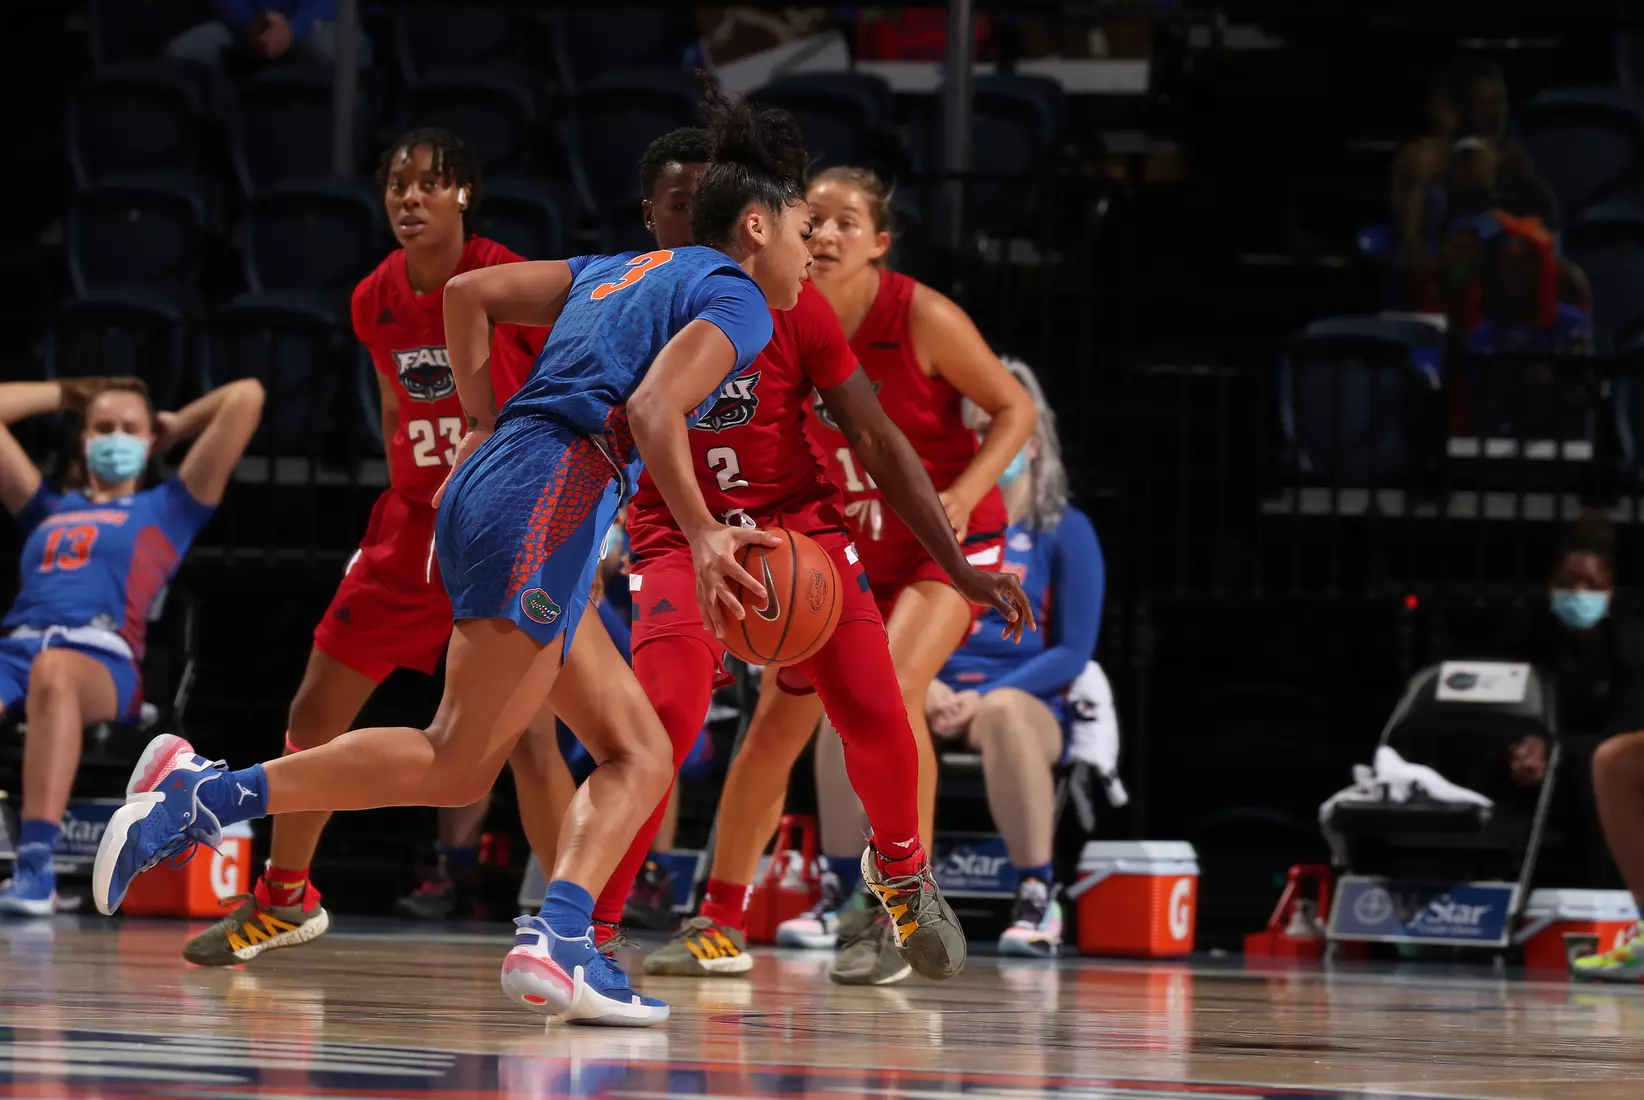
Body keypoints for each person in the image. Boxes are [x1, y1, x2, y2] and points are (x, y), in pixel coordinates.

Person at [94, 88, 841, 1028]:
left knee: (638, 747)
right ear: (759, 223)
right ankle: (201, 795)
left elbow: (467, 297)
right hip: (552, 496)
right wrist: (701, 533)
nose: (813, 250)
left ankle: (562, 938)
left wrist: (483, 427)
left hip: (510, 483)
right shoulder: (737, 298)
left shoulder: (620, 268)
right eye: (806, 228)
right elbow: (652, 410)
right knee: (455, 757)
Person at [588, 129, 1034, 975]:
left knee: (877, 697)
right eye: (680, 208)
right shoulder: (624, 298)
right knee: (669, 721)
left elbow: (881, 434)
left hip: (816, 535)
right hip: (684, 537)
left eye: (832, 223)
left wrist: (967, 553)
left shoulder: (813, 306)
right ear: (654, 219)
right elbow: (504, 318)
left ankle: (901, 881)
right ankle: (600, 930)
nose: (818, 238)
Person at [179, 127, 566, 966]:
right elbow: (397, 408)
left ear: (464, 194)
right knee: (313, 711)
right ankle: (284, 897)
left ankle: (573, 924)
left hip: (502, 525)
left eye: (430, 183)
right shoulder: (372, 299)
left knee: (529, 737)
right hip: (410, 526)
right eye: (397, 185)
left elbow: (563, 394)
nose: (410, 199)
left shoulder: (510, 278)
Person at [0, 375, 264, 915]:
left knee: (54, 673)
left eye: (129, 428)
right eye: (103, 427)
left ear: (148, 441)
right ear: (83, 439)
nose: (115, 437)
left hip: (101, 657)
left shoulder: (169, 507)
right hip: (14, 649)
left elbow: (247, 396)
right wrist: (64, 393)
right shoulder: (47, 507)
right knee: (43, 667)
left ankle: (34, 871)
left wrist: (174, 427)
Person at [927, 357, 1104, 958]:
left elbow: (1074, 650)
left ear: (1033, 441)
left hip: (1022, 703)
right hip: (935, 691)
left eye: (995, 432)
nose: (984, 447)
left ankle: (1037, 893)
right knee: (856, 707)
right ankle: (850, 892)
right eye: (972, 435)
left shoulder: (1064, 528)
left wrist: (982, 697)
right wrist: (920, 682)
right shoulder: (938, 525)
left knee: (1003, 710)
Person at [166, 1, 372, 72]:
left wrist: (292, 30)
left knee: (325, 46)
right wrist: (247, 25)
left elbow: (328, 5)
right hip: (249, 27)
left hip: (318, 26)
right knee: (186, 52)